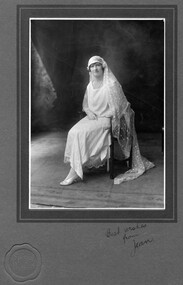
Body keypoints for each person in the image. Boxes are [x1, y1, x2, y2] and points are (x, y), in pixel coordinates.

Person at [60, 55, 154, 186]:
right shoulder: (89, 86)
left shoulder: (111, 85)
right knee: (73, 132)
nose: (95, 68)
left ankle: (74, 172)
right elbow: (85, 105)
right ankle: (77, 167)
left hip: (107, 120)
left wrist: (103, 115)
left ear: (103, 67)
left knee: (81, 134)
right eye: (92, 66)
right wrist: (90, 112)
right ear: (89, 70)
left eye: (97, 65)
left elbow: (120, 107)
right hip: (92, 118)